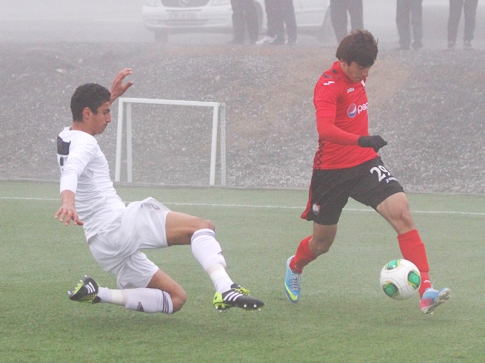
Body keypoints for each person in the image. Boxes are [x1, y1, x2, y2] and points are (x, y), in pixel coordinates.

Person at [55, 68, 264, 314]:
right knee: (202, 227)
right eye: (105, 112)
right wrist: (68, 201)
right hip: (117, 225)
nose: (109, 118)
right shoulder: (87, 143)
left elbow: (76, 149)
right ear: (87, 113)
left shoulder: (65, 135)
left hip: (101, 243)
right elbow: (72, 170)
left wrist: (110, 96)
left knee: (175, 299)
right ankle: (226, 287)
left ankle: (97, 293)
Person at [283, 30, 451, 315]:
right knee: (322, 243)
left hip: (364, 163)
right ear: (345, 62)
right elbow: (324, 130)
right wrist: (361, 139)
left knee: (402, 213)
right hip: (331, 172)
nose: (366, 74)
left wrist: (364, 146)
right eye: (361, 67)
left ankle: (426, 291)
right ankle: (294, 266)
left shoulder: (357, 77)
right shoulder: (327, 85)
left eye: (369, 67)